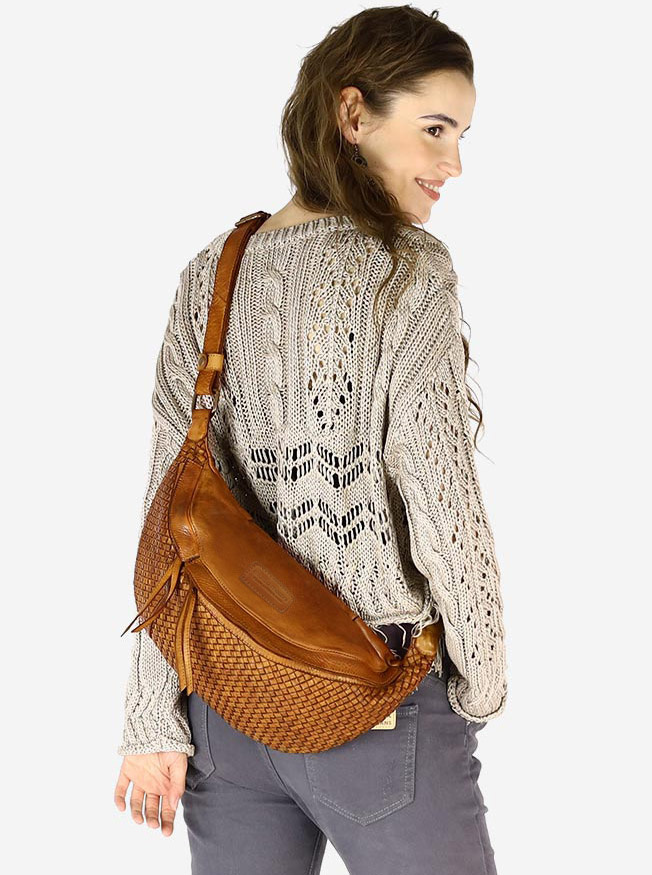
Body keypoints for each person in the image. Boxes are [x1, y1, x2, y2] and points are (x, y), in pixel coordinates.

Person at [113, 6, 507, 873]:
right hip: (376, 702)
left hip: (223, 708)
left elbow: (167, 512)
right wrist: (480, 681)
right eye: (435, 129)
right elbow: (441, 499)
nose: (453, 163)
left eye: (461, 134)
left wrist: (151, 717)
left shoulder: (214, 271)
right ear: (353, 113)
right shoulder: (408, 271)